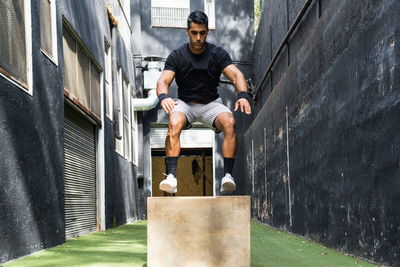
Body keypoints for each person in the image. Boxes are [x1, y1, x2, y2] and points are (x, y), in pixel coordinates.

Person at [156, 10, 251, 194]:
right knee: (174, 123)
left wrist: (242, 95)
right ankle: (171, 177)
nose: (198, 37)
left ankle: (228, 177)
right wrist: (164, 97)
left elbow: (236, 75)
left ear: (207, 32)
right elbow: (163, 81)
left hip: (211, 104)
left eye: (202, 33)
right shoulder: (177, 56)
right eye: (194, 33)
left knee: (230, 122)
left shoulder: (217, 53)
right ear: (187, 31)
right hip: (185, 104)